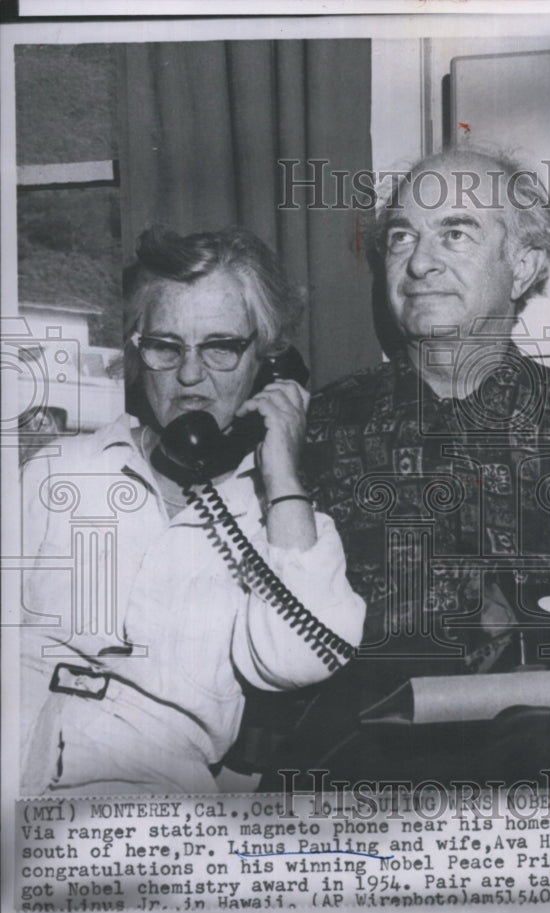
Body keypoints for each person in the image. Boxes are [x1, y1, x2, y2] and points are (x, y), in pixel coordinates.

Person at [279, 147, 550, 785]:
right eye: (402, 237)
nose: (420, 263)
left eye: (455, 233)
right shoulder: (318, 429)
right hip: (368, 770)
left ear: (522, 266)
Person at [20, 226, 365, 795]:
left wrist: (280, 472)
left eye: (221, 347)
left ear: (265, 360)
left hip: (145, 797)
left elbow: (300, 657)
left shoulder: (279, 522)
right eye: (165, 345)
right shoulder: (59, 471)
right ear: (138, 349)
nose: (189, 375)